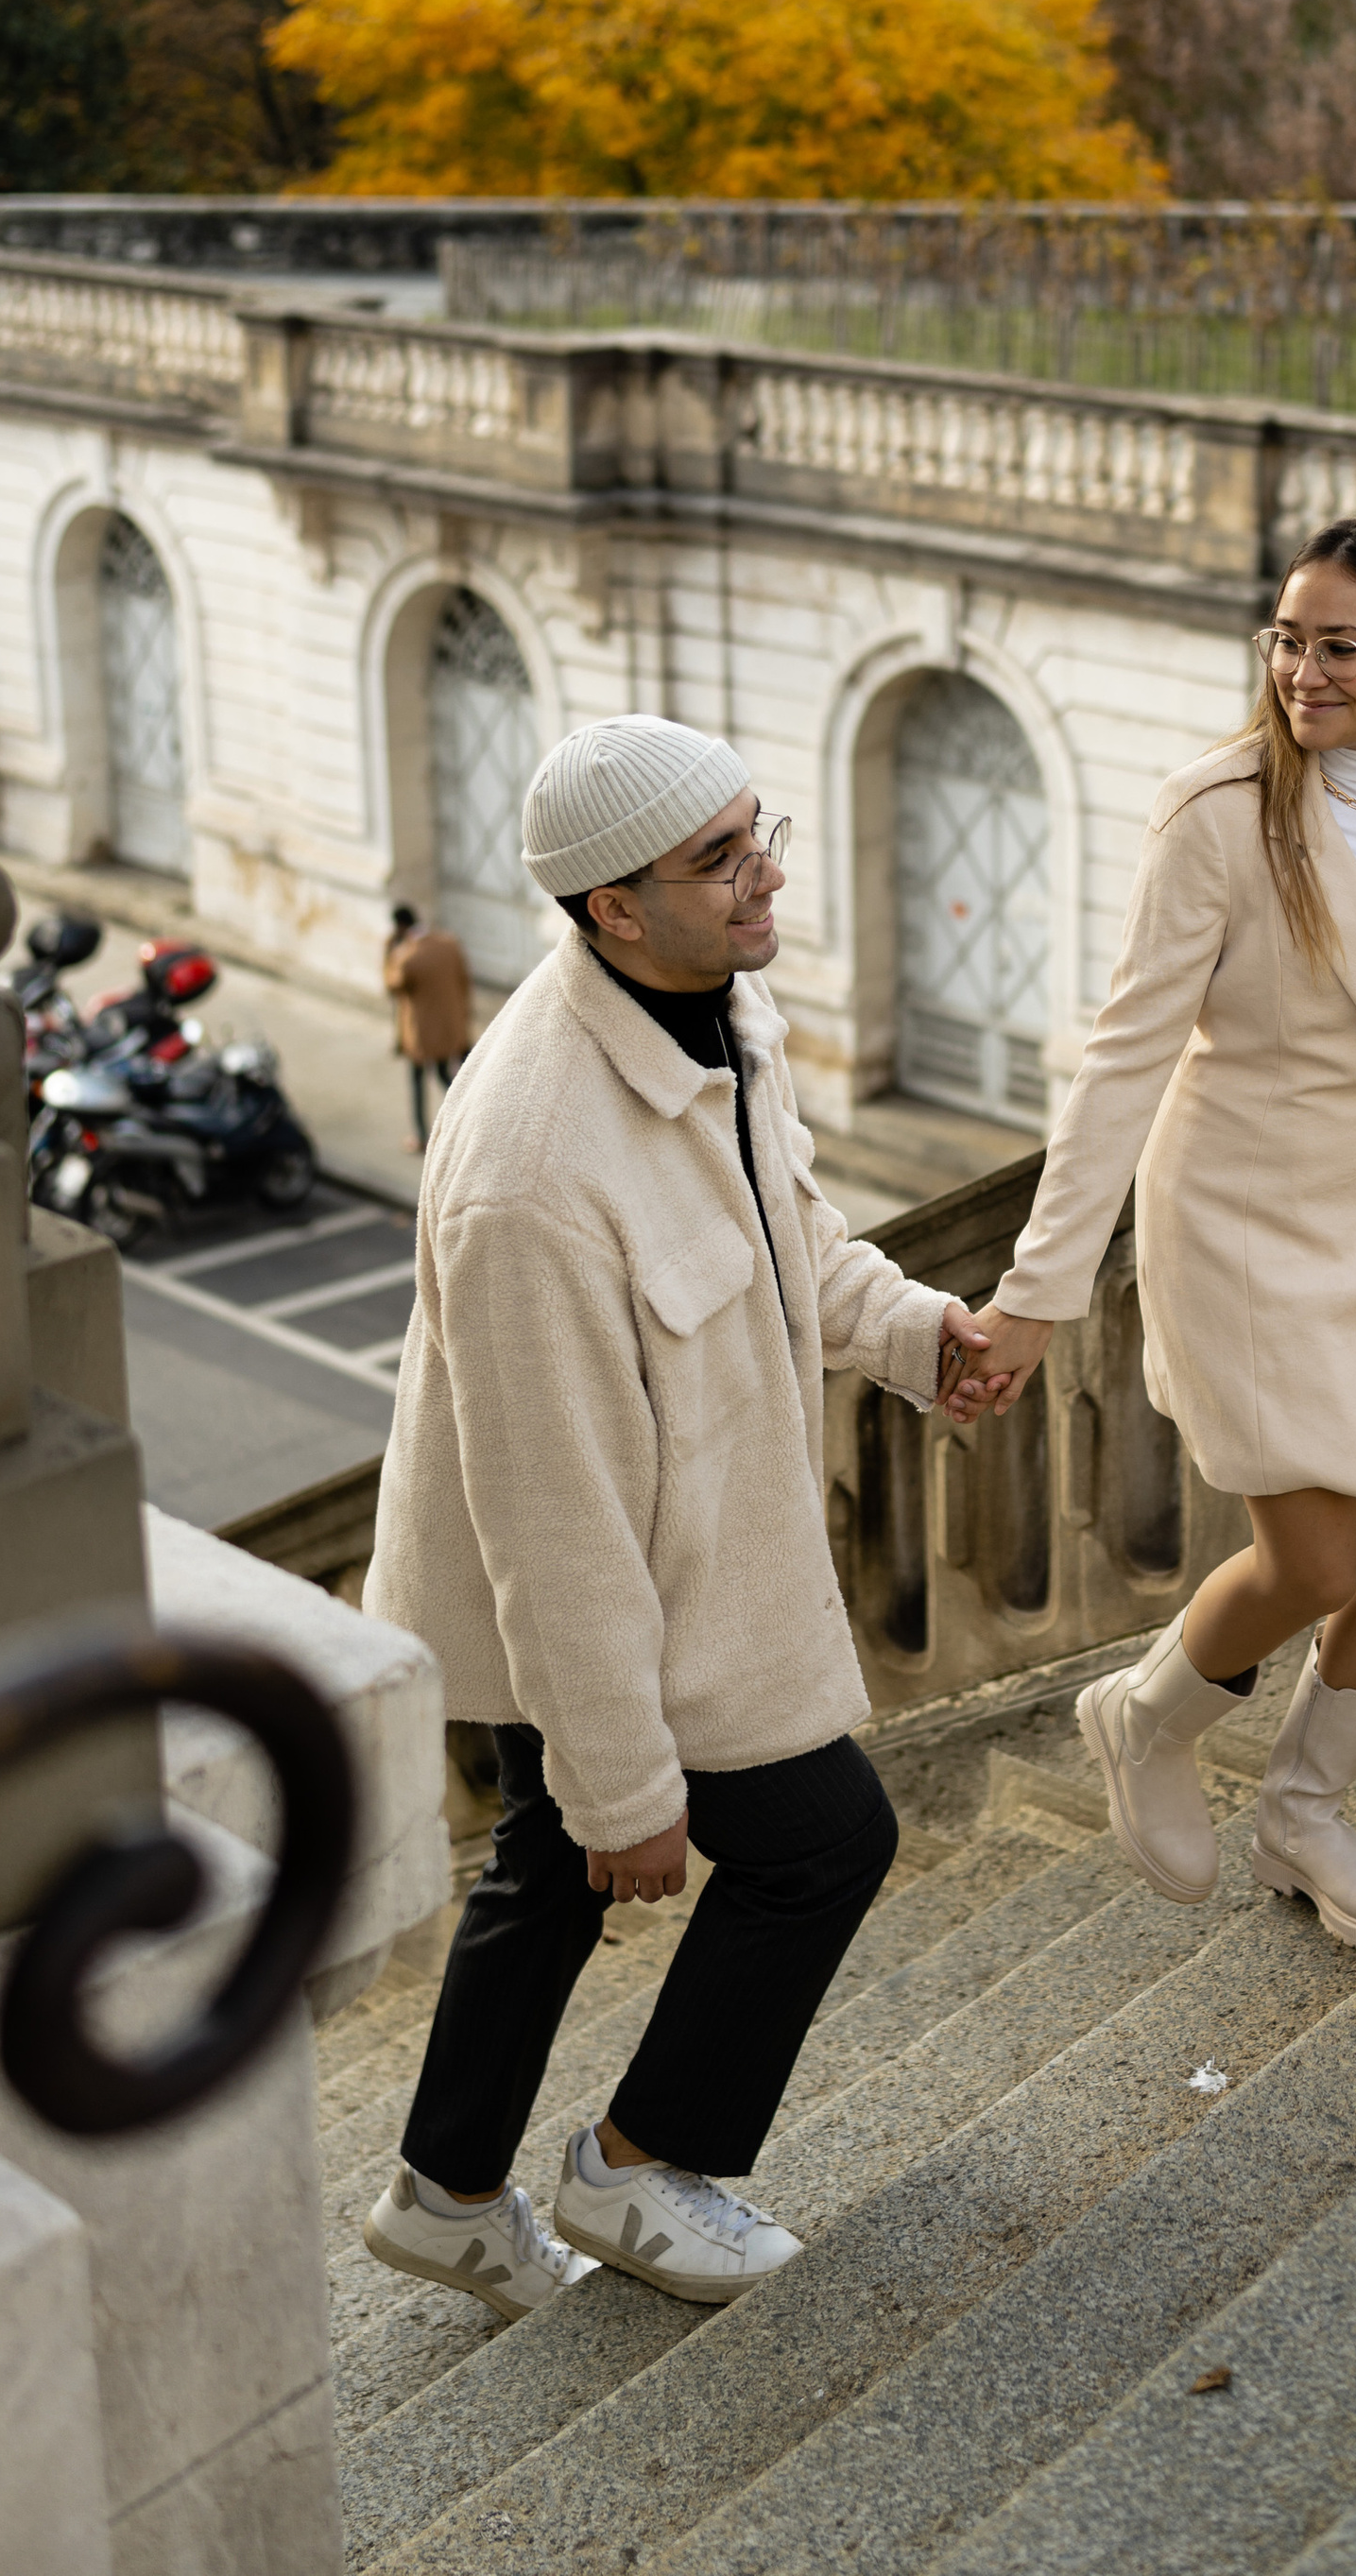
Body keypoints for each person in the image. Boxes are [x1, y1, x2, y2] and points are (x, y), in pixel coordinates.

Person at [360, 714, 988, 2320]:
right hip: (603, 1591)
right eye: (721, 859)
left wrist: (918, 1334)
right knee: (821, 1842)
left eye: (756, 831)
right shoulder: (530, 1175)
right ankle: (639, 2169)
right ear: (613, 908)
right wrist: (627, 1784)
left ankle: (444, 2195)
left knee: (545, 1863)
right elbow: (551, 1523)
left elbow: (789, 1234)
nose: (765, 872)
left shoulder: (713, 1003)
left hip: (665, 1563)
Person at [947, 516, 1356, 1959]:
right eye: (1288, 639)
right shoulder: (1219, 814)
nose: (1303, 670)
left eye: (1340, 646)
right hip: (1245, 1220)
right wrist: (1038, 1292)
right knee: (1313, 1563)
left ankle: (1305, 1814)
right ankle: (1146, 1717)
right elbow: (1124, 1059)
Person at [383, 904, 474, 1149]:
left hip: (421, 1035)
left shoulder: (407, 957)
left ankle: (421, 1136)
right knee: (446, 1076)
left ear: (400, 927)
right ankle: (469, 1119)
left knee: (418, 1084)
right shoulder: (449, 944)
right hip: (450, 1028)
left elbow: (392, 985)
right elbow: (464, 981)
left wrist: (389, 953)